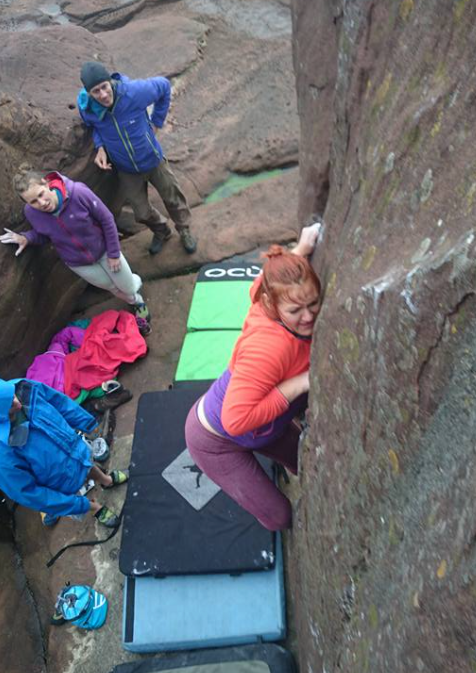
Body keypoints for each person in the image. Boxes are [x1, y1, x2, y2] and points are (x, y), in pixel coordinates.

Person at [185, 225, 322, 531]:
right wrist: (300, 383)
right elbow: (235, 420)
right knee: (279, 517)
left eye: (313, 303)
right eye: (296, 309)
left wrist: (300, 251)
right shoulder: (269, 350)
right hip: (216, 440)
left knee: (307, 465)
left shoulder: (271, 296)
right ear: (274, 306)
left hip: (260, 421)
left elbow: (259, 284)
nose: (309, 316)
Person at [0, 167, 150, 326]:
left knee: (127, 287)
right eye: (33, 202)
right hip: (78, 263)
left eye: (41, 194)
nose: (41, 203)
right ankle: (135, 302)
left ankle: (134, 290)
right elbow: (45, 235)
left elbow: (107, 219)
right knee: (112, 287)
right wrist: (26, 238)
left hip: (105, 251)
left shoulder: (77, 193)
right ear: (27, 204)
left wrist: (113, 253)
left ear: (47, 183)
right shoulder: (32, 213)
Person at [77, 60, 197, 257]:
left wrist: (157, 122)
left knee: (173, 198)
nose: (103, 95)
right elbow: (94, 126)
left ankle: (184, 229)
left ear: (110, 82)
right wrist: (100, 147)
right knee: (141, 213)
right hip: (127, 169)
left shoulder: (134, 92)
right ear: (88, 93)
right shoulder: (88, 108)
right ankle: (162, 231)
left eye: (105, 87)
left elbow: (164, 87)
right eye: (96, 91)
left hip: (152, 159)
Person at [0, 378, 128, 528]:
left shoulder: (24, 388)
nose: (17, 403)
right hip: (57, 481)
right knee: (73, 500)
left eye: (11, 395)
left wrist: (85, 422)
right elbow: (26, 492)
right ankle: (94, 507)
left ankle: (106, 480)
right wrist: (73, 505)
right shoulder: (3, 453)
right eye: (8, 407)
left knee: (87, 464)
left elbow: (58, 401)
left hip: (73, 448)